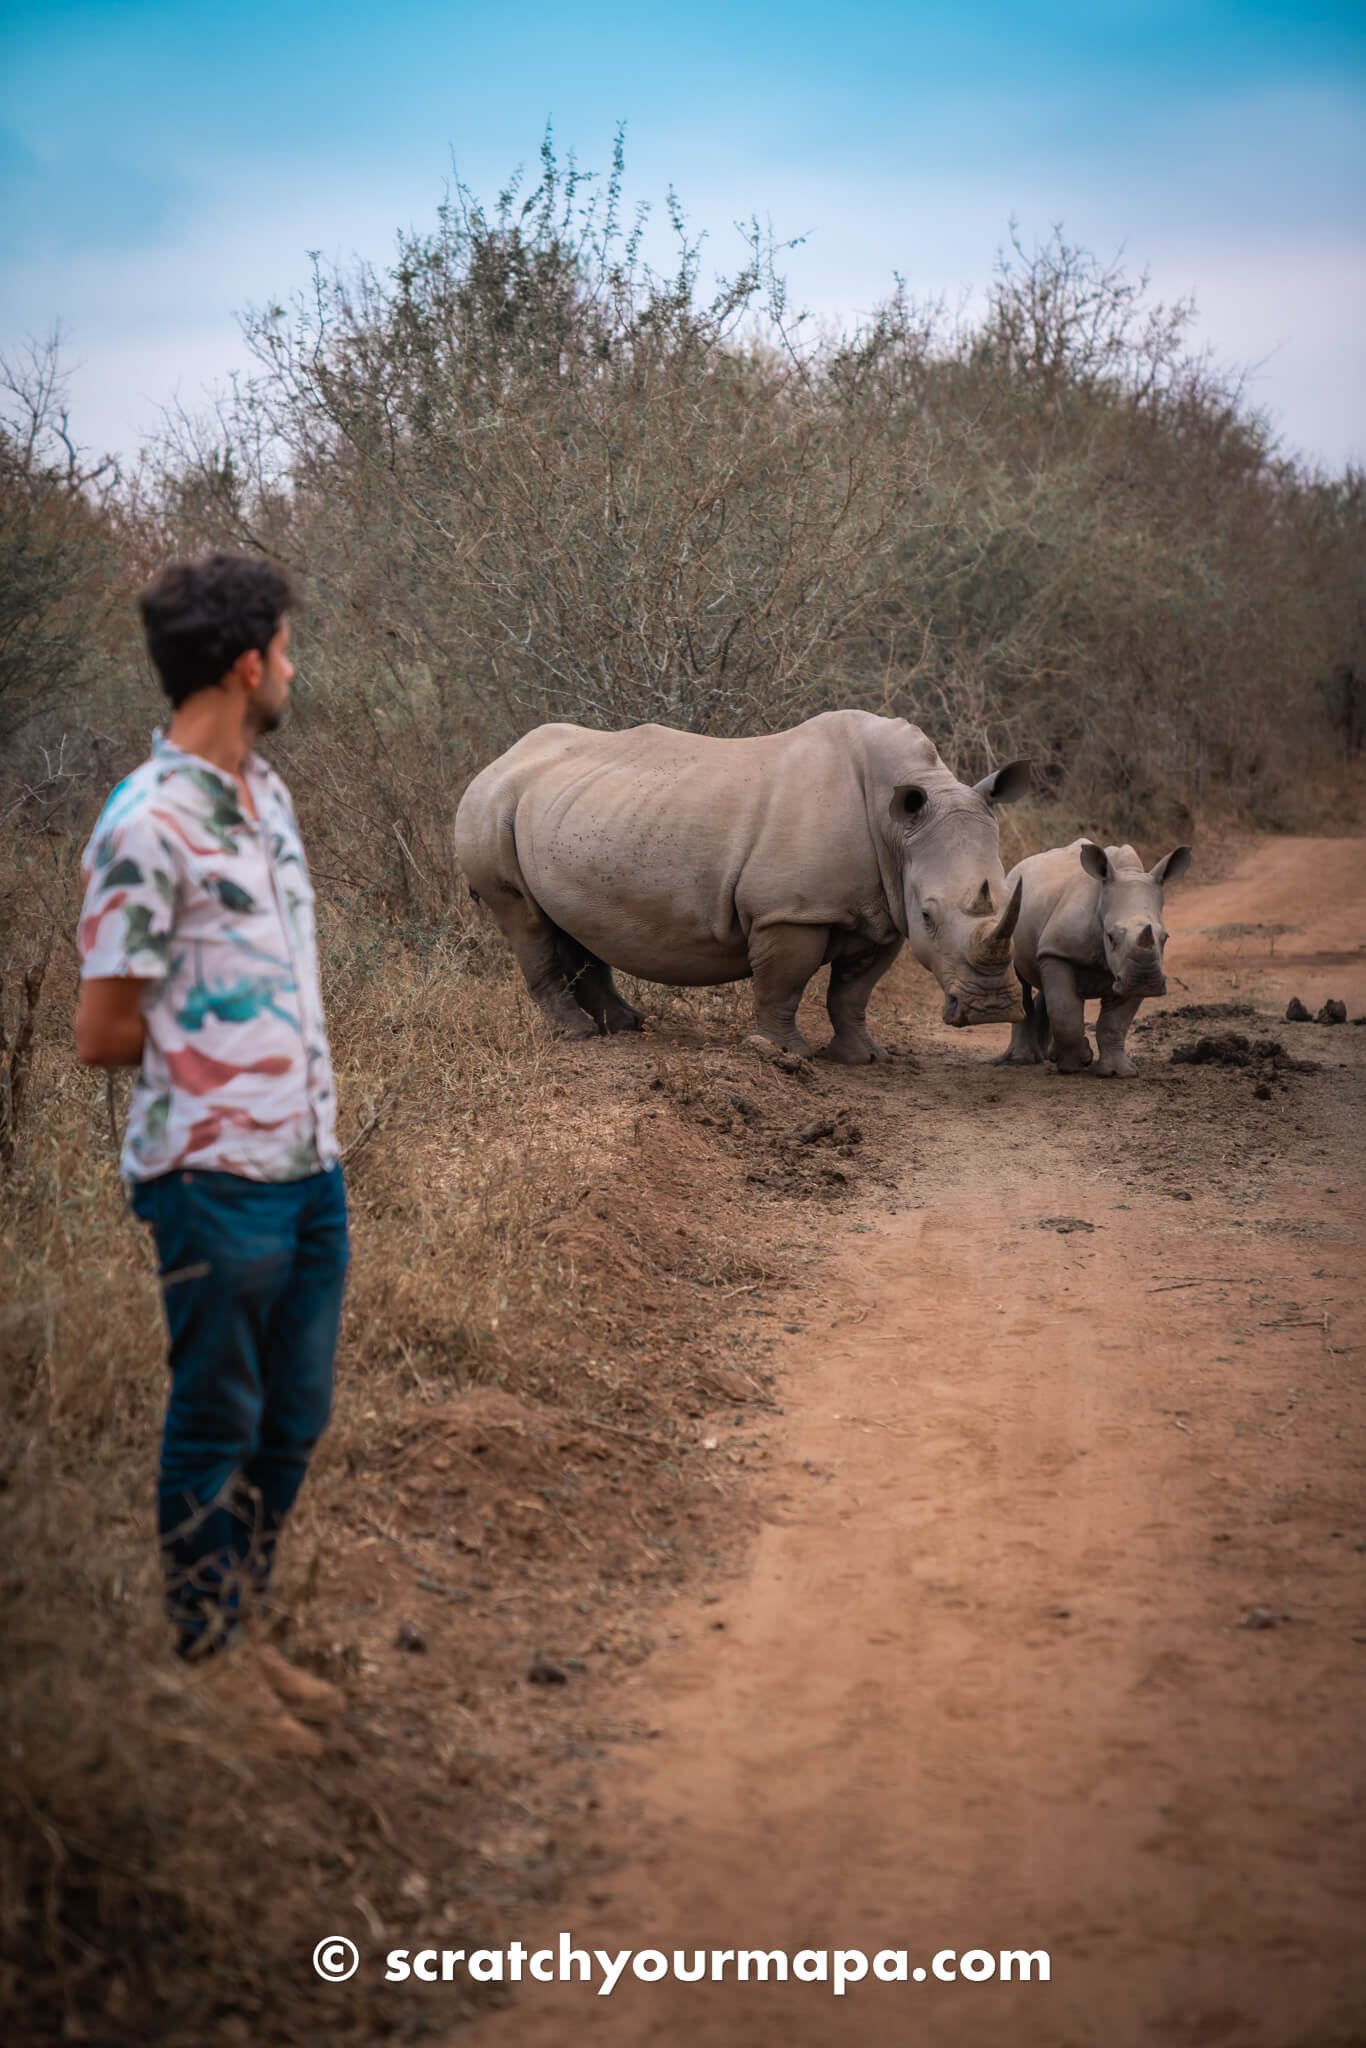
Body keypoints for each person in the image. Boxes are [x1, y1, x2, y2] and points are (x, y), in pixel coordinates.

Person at [75, 552, 348, 1752]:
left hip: (309, 1169)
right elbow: (101, 1030)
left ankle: (246, 1625)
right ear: (248, 664)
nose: (293, 666)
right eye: (286, 649)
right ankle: (210, 1655)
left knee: (292, 1415)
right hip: (211, 1181)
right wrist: (219, 1076)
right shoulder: (147, 822)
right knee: (216, 1415)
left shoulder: (267, 794)